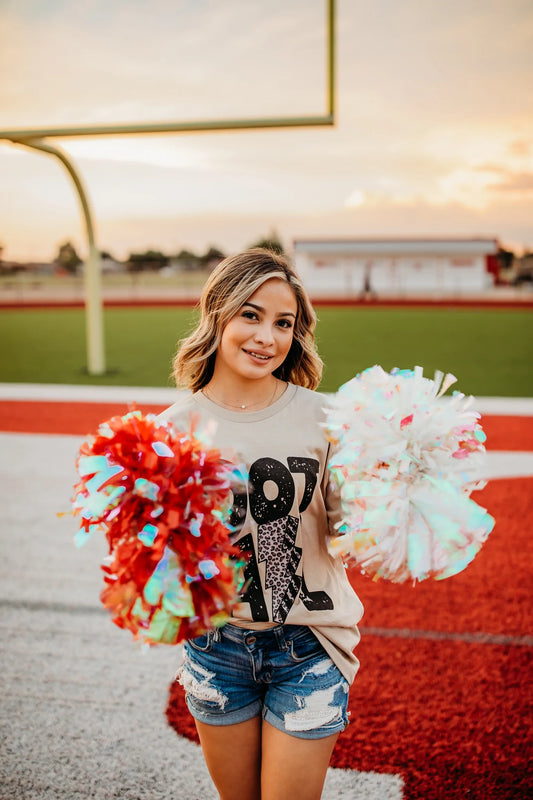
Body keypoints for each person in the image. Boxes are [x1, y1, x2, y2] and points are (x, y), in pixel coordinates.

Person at [160, 248, 364, 800]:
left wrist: (388, 511)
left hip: (310, 644)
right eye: (251, 314)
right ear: (217, 314)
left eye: (283, 323)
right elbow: (160, 559)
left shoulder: (327, 418)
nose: (266, 337)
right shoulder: (170, 430)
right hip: (216, 645)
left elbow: (351, 530)